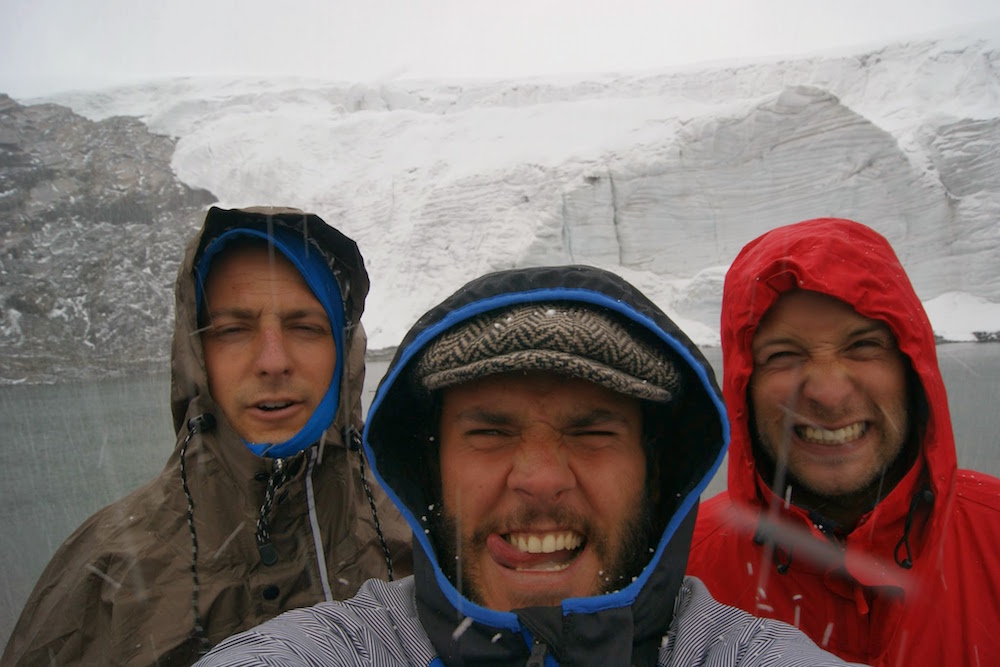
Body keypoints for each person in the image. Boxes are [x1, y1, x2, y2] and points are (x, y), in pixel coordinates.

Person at [195, 264, 862, 666]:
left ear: (655, 474)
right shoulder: (349, 645)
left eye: (593, 429)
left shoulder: (735, 653)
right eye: (489, 431)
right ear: (431, 470)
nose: (540, 478)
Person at [2, 206, 413, 666]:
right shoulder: (109, 572)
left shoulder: (421, 535)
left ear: (343, 351)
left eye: (305, 327)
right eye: (233, 330)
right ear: (196, 356)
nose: (273, 361)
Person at [688, 218, 1000, 666]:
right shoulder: (682, 569)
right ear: (744, 388)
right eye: (784, 356)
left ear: (912, 370)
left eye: (862, 346)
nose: (829, 393)